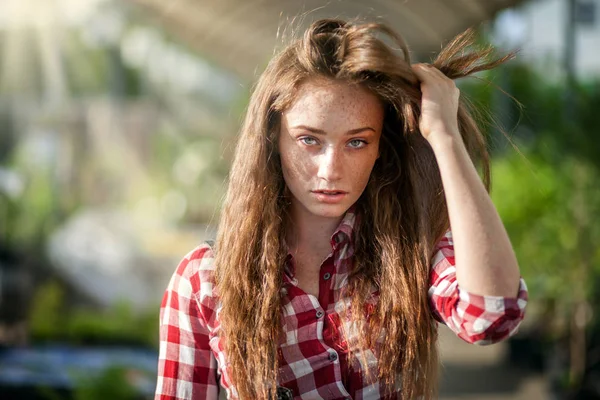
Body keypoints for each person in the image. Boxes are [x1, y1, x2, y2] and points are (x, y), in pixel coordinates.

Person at [154, 18, 528, 400]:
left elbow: (492, 317)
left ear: (382, 147)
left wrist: (444, 135)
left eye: (356, 142)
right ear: (273, 139)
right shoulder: (204, 281)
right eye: (309, 140)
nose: (330, 170)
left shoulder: (412, 253)